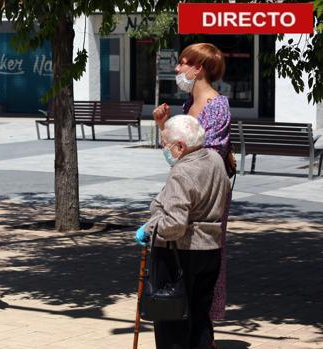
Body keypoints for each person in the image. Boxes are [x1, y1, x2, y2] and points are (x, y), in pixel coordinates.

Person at [152, 42, 232, 335]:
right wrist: (164, 126)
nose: (178, 68)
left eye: (183, 62)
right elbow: (179, 153)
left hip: (205, 194)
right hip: (186, 189)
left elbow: (201, 158)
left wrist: (173, 140)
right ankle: (190, 326)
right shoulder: (188, 106)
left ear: (199, 68)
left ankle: (201, 329)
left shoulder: (217, 105)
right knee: (182, 261)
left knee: (201, 265)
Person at [135, 114, 230, 349]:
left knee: (172, 320)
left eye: (165, 144)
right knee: (199, 318)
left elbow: (175, 225)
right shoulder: (216, 159)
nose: (163, 148)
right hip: (210, 249)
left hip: (181, 253)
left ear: (180, 146)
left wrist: (149, 228)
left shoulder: (182, 171)